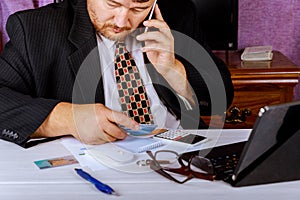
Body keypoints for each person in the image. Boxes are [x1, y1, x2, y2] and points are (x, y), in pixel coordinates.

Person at [0, 0, 234, 147]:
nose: (122, 21)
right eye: (112, 4)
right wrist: (68, 118)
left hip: (180, 151)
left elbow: (220, 95)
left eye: (138, 8)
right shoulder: (35, 29)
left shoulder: (177, 13)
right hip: (96, 163)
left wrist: (173, 70)